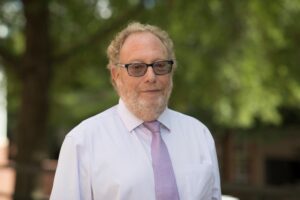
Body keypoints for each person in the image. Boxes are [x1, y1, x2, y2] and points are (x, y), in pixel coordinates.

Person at [50, 22, 221, 200]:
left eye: (160, 65)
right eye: (137, 67)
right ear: (116, 76)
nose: (151, 77)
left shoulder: (199, 135)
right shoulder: (83, 142)